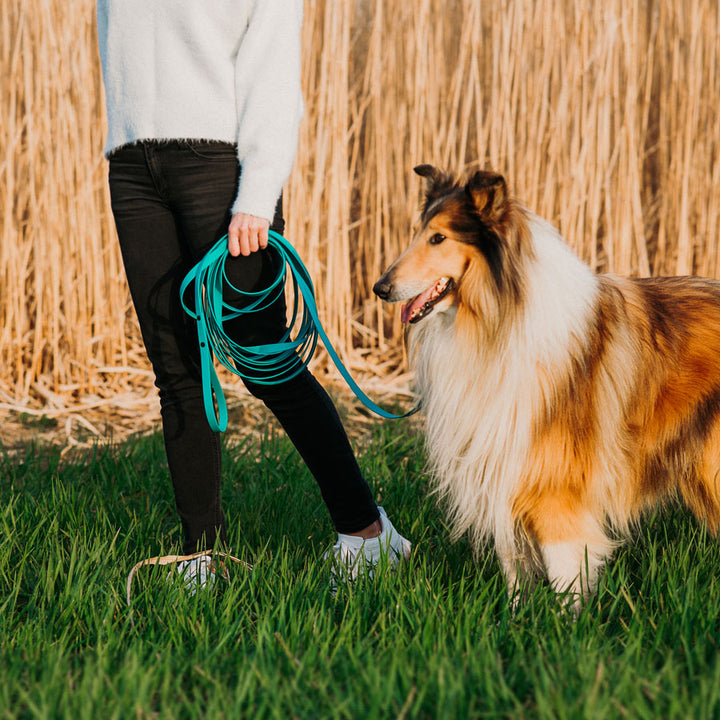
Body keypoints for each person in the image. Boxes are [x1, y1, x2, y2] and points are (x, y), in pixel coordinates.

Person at [96, 0, 410, 589]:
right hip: (133, 166)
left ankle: (369, 534)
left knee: (266, 363)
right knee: (178, 369)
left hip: (218, 168)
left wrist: (257, 197)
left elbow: (273, 77)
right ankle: (201, 557)